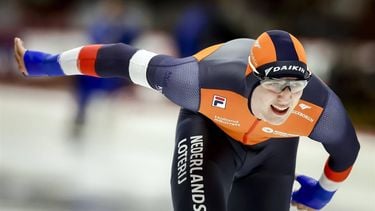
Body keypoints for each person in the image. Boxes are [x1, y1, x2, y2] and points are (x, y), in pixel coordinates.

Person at [14, 30, 360, 211]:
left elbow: (347, 151)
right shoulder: (197, 81)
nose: (285, 96)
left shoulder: (319, 110)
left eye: (295, 85)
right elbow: (118, 58)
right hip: (210, 132)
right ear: (250, 79)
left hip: (274, 153)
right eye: (273, 84)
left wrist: (321, 195)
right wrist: (43, 63)